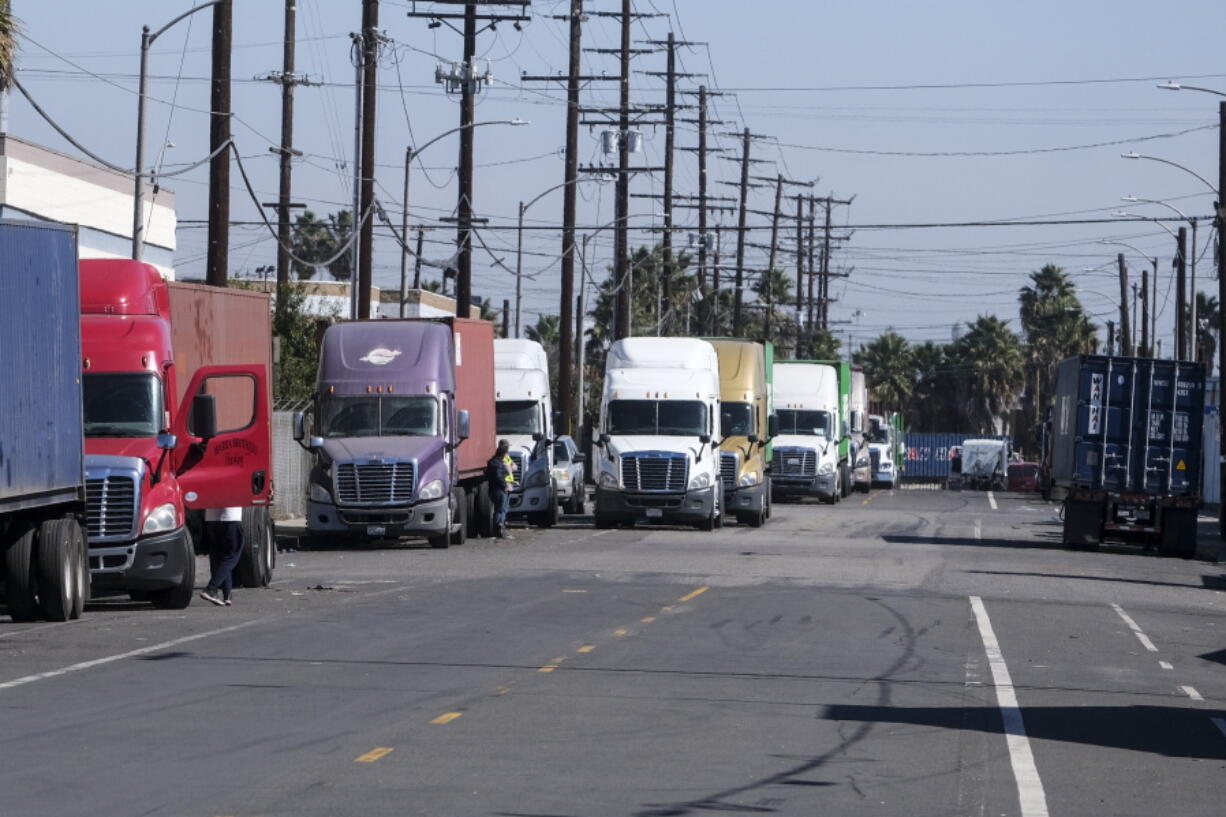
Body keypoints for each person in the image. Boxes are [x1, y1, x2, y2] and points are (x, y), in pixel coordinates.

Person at [200, 507, 244, 606]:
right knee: (231, 556)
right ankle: (211, 589)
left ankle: (227, 594)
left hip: (211, 519)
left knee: (220, 558)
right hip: (231, 517)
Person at [486, 439, 515, 539]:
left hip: (495, 488)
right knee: (501, 510)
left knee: (501, 509)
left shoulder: (494, 461)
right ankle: (499, 530)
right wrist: (504, 485)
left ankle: (499, 530)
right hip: (499, 489)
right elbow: (498, 476)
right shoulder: (498, 463)